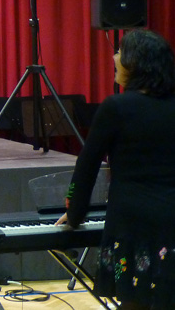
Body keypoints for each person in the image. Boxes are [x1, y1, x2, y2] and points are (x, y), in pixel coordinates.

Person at [57, 29, 175, 310]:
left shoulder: (117, 107)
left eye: (120, 52)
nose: (114, 57)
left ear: (136, 63)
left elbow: (86, 165)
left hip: (131, 224)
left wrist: (75, 211)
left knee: (133, 302)